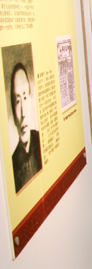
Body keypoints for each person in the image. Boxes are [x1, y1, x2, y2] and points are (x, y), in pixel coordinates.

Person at [11, 62, 42, 193]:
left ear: (30, 98)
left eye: (25, 97)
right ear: (13, 111)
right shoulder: (13, 164)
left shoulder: (41, 140)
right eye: (17, 101)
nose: (23, 112)